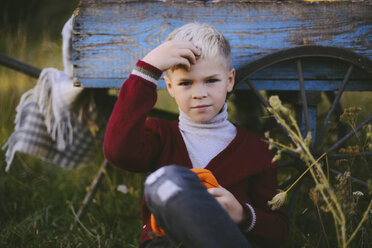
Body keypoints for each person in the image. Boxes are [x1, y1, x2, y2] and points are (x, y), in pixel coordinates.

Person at [103, 23, 289, 248]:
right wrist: (148, 70)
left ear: (229, 80)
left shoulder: (257, 149)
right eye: (186, 83)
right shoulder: (161, 136)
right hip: (169, 242)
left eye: (211, 80)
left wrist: (242, 215)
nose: (199, 94)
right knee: (163, 181)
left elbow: (279, 232)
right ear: (170, 87)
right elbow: (118, 151)